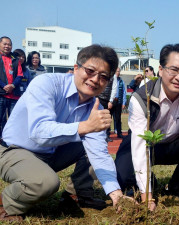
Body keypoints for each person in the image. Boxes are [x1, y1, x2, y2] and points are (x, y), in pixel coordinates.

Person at [0, 44, 128, 222]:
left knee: (92, 146)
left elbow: (99, 153)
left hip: (49, 154)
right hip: (14, 150)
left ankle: (76, 196)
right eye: (90, 71)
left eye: (104, 76)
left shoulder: (94, 106)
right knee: (46, 183)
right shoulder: (46, 84)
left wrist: (116, 194)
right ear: (76, 68)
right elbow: (38, 132)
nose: (95, 79)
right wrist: (85, 127)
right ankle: (8, 203)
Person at [115, 43, 179, 211]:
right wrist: (148, 197)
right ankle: (148, 183)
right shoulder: (142, 97)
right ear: (160, 70)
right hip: (146, 144)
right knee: (123, 174)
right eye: (173, 69)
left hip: (175, 144)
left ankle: (175, 190)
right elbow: (139, 148)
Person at [0, 37, 23, 137]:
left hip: (13, 95)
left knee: (14, 120)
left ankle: (10, 138)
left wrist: (12, 85)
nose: (7, 46)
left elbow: (20, 75)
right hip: (1, 93)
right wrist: (4, 86)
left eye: (9, 44)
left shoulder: (15, 59)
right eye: (5, 44)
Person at [98, 72, 117, 142]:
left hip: (107, 100)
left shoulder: (113, 76)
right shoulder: (100, 72)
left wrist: (111, 101)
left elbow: (114, 88)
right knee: (98, 117)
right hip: (98, 98)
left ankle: (107, 135)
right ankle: (98, 135)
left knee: (106, 118)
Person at [111, 67, 126, 138]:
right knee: (108, 118)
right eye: (117, 71)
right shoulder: (110, 80)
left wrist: (123, 103)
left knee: (118, 119)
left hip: (118, 101)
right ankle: (107, 134)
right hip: (111, 101)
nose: (118, 73)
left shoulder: (121, 81)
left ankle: (119, 133)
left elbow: (124, 92)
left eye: (119, 71)